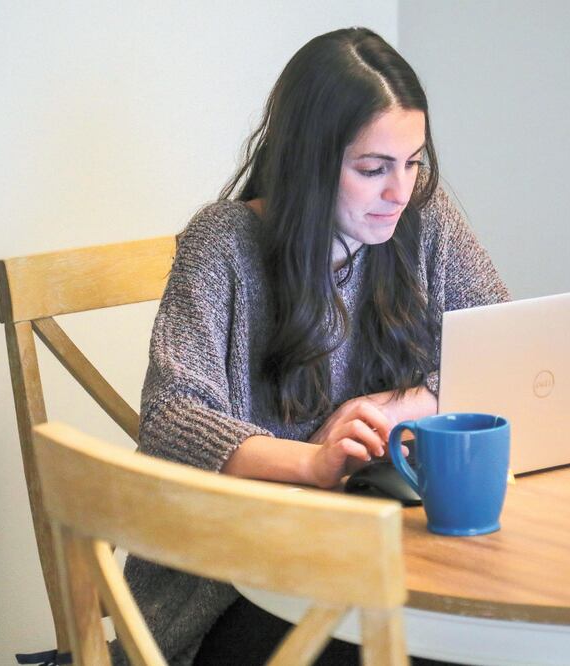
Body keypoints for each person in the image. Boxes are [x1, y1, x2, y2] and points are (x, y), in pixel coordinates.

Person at [114, 27, 509, 665]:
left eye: (413, 162)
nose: (399, 192)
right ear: (308, 160)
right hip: (230, 589)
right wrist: (315, 462)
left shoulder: (422, 219)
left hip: (388, 552)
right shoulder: (224, 247)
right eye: (372, 168)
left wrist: (393, 407)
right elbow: (170, 421)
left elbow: (502, 355)